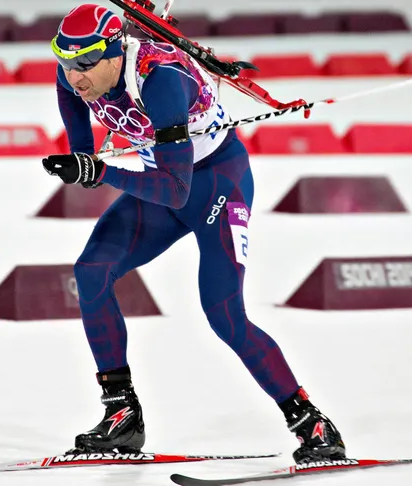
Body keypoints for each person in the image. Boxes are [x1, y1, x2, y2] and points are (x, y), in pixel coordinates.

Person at [41, 4, 346, 464]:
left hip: (214, 187)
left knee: (224, 314)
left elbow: (177, 190)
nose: (76, 76)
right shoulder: (74, 74)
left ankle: (313, 424)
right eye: (67, 64)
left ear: (114, 53)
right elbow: (81, 131)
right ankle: (122, 416)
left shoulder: (160, 79)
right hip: (161, 184)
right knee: (91, 273)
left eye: (85, 64)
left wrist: (101, 170)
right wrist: (85, 162)